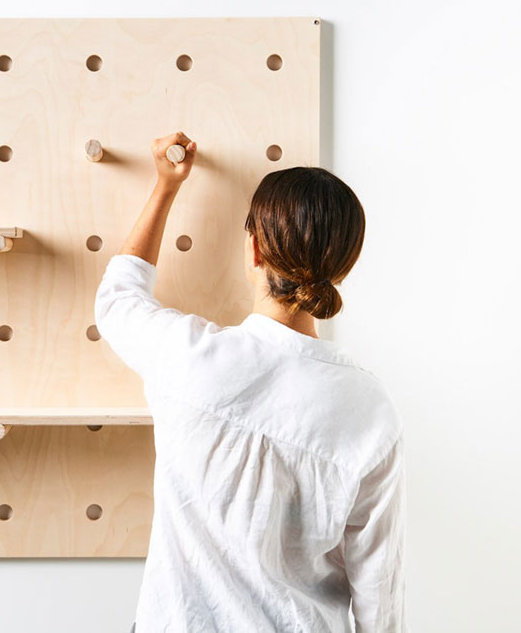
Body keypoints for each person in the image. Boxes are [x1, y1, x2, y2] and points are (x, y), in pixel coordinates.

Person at [94, 132, 406, 632]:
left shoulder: (190, 358)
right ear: (343, 268)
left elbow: (117, 300)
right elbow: (379, 592)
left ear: (255, 249)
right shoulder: (370, 409)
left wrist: (166, 187)